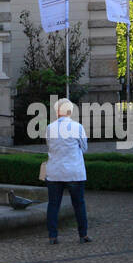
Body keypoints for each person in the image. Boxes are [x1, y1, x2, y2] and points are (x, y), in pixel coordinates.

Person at [44, 98, 90, 245]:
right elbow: (84, 148)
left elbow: (49, 146)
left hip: (55, 171)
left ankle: (52, 236)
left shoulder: (50, 128)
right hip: (74, 172)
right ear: (70, 111)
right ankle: (83, 235)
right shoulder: (77, 127)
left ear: (57, 112)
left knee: (53, 205)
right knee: (79, 204)